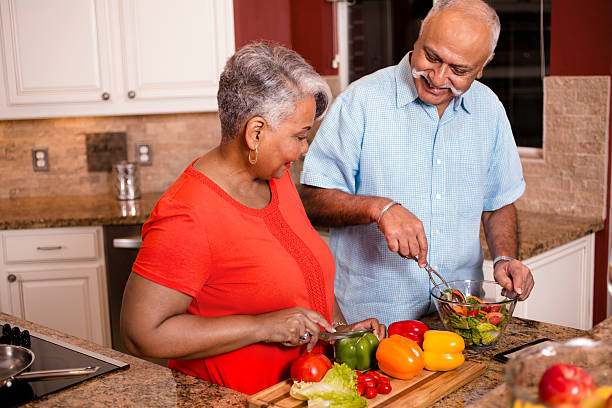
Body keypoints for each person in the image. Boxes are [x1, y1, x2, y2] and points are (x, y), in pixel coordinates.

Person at [120, 42, 385, 395]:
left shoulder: (276, 177)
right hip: (230, 399)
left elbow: (306, 279)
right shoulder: (188, 214)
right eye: (300, 135)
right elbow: (141, 335)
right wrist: (261, 327)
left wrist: (340, 332)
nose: (304, 148)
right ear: (256, 132)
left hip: (295, 394)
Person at [299, 0, 535, 327]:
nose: (437, 77)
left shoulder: (489, 110)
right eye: (432, 57)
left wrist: (505, 258)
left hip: (457, 318)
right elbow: (311, 200)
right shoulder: (361, 101)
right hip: (371, 322)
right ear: (420, 33)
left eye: (459, 70)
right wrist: (379, 208)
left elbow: (497, 204)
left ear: (484, 65)